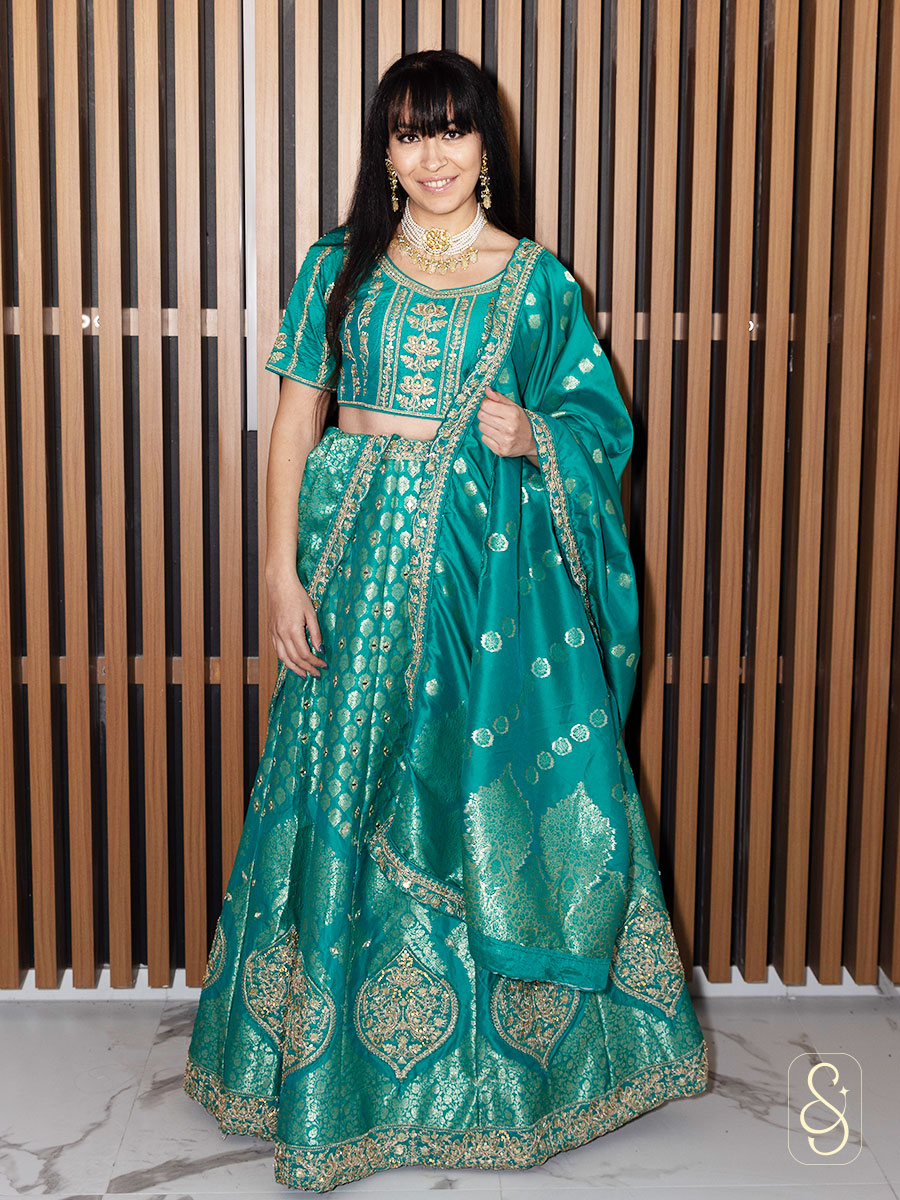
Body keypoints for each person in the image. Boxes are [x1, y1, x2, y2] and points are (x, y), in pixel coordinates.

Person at [183, 48, 708, 1193]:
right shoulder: (337, 266)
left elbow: (599, 429)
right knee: (342, 783)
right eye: (410, 133)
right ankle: (327, 1079)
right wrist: (278, 570)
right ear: (384, 152)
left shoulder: (537, 282)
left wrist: (541, 437)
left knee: (470, 786)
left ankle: (508, 1085)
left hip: (486, 580)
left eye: (453, 130)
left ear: (486, 147)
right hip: (354, 559)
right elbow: (294, 419)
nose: (433, 156)